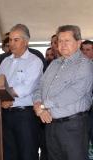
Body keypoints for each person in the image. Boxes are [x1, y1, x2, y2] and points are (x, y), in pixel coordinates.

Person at [33, 25, 93, 160]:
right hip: (50, 124)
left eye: (67, 40)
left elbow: (75, 92)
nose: (63, 44)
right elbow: (39, 87)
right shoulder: (54, 64)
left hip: (72, 126)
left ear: (78, 42)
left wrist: (44, 105)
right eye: (60, 41)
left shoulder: (84, 64)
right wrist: (38, 105)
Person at [0, 24, 43, 160]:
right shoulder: (4, 61)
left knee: (27, 155)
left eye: (16, 40)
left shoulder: (34, 62)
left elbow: (25, 88)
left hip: (24, 116)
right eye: (10, 40)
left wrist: (5, 95)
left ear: (26, 41)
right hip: (4, 115)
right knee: (8, 156)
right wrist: (1, 99)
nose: (12, 43)